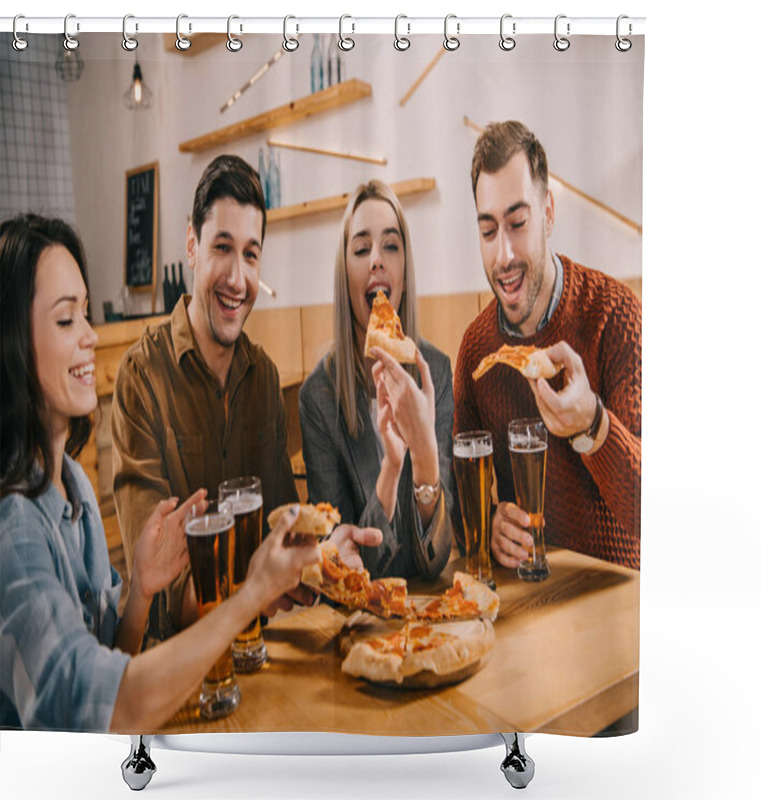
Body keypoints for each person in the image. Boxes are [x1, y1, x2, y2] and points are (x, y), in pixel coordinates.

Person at [0, 214, 321, 731]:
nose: (90, 336)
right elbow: (111, 710)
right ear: (11, 343)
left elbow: (114, 657)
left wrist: (142, 593)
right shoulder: (12, 527)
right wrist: (247, 599)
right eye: (66, 321)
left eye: (86, 314)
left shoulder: (72, 485)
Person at [111, 155, 379, 643]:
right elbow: (159, 597)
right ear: (191, 246)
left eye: (251, 255)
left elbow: (284, 533)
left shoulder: (264, 379)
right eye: (222, 248)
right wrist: (260, 587)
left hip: (263, 653)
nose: (238, 279)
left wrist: (322, 555)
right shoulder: (140, 378)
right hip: (177, 676)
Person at [454, 121, 641, 570]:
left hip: (615, 609)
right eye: (487, 231)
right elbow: (463, 519)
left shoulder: (616, 315)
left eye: (518, 223)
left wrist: (594, 425)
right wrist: (488, 528)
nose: (503, 256)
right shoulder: (476, 353)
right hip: (528, 608)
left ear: (549, 213)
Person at [299, 180, 454, 579]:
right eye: (361, 248)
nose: (376, 261)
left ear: (404, 269)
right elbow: (345, 568)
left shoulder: (434, 371)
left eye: (390, 245)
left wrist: (423, 456)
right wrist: (392, 468)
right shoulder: (317, 397)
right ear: (344, 272)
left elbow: (438, 555)